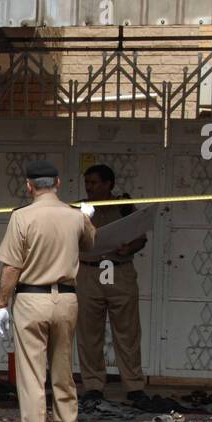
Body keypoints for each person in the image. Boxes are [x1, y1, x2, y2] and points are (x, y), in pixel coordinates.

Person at [0, 160, 97, 422]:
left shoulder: (22, 217)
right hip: (66, 300)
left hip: (31, 301)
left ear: (29, 186)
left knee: (32, 380)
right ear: (59, 183)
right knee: (63, 375)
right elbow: (91, 245)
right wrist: (87, 218)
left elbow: (12, 266)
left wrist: (1, 304)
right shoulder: (74, 216)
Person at [75, 164, 148, 405]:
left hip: (119, 272)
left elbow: (141, 239)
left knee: (127, 332)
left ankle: (134, 386)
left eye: (95, 183)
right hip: (88, 273)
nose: (90, 187)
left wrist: (128, 247)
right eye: (87, 183)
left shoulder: (125, 207)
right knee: (89, 333)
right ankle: (94, 386)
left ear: (109, 184)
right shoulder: (80, 208)